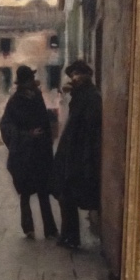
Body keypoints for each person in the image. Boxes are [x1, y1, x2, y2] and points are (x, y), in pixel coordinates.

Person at [0, 65, 59, 240]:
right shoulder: (14, 102)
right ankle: (28, 229)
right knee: (25, 194)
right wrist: (27, 135)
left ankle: (50, 229)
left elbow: (45, 123)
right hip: (23, 156)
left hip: (40, 153)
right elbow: (6, 126)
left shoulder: (38, 97)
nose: (34, 82)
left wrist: (47, 142)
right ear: (25, 82)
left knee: (43, 191)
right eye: (31, 79)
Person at [52, 59, 102, 249]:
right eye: (72, 75)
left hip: (80, 154)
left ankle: (71, 237)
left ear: (86, 75)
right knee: (65, 195)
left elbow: (89, 128)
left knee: (69, 195)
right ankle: (68, 235)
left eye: (77, 74)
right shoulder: (80, 95)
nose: (74, 78)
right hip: (71, 152)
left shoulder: (92, 96)